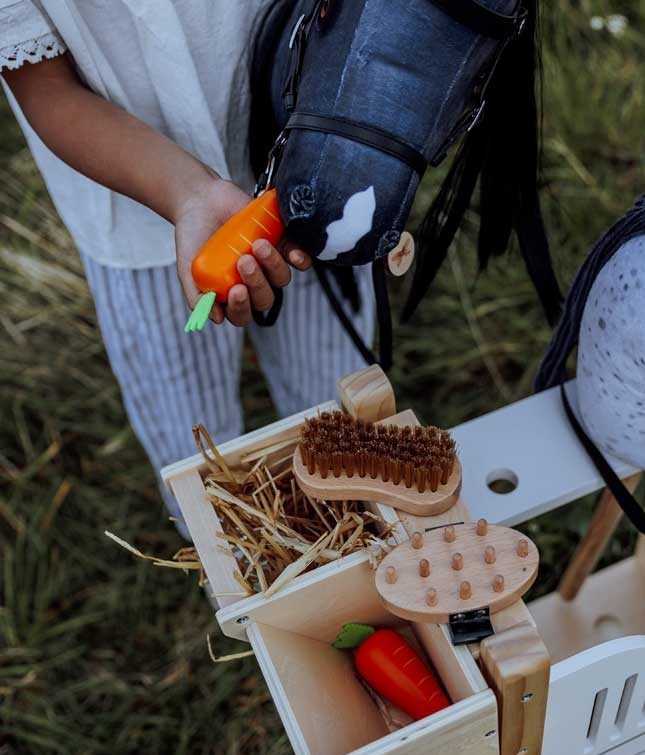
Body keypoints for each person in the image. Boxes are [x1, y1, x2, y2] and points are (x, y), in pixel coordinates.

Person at [0, 2, 375, 529]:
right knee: (198, 455)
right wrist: (187, 194)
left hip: (310, 149)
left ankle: (351, 526)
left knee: (334, 396)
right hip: (144, 217)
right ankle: (237, 570)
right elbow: (49, 92)